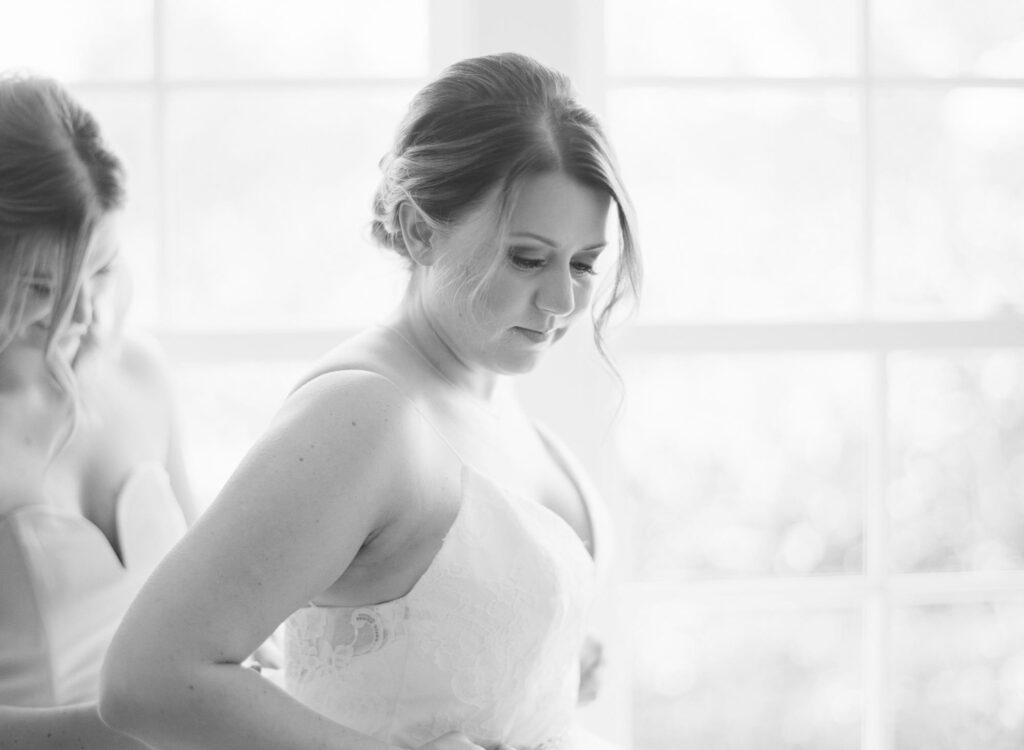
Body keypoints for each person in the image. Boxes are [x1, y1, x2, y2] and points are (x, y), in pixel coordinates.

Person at [100, 52, 641, 750]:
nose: (564, 300)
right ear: (420, 231)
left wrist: (547, 659)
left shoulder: (489, 388)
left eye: (585, 263)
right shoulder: (364, 418)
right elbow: (148, 681)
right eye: (528, 259)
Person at [0, 75, 199, 748]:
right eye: (42, 286)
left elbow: (210, 603)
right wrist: (109, 733)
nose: (84, 314)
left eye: (102, 270)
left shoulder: (142, 373)